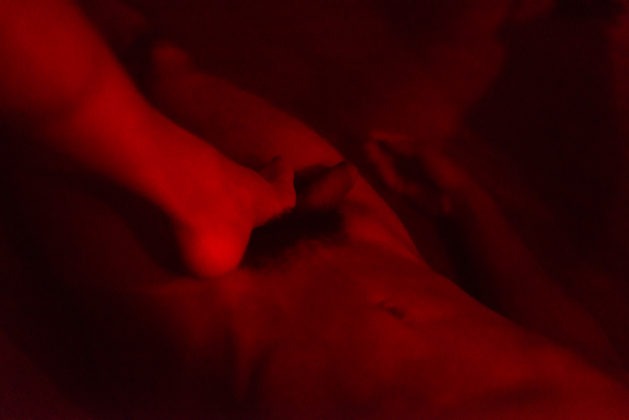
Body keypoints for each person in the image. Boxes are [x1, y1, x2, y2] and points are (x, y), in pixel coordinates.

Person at [1, 0, 628, 417]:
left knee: (27, 141)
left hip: (213, 319)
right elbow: (578, 353)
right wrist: (468, 204)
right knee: (157, 62)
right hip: (346, 229)